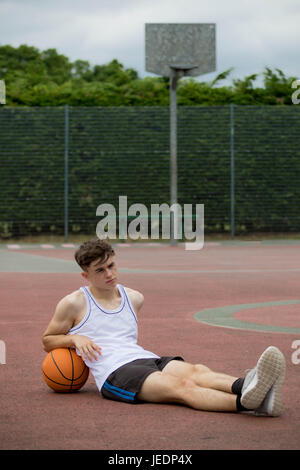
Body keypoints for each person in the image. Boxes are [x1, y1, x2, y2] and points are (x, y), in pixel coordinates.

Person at [42, 238, 286, 416]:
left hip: (145, 357)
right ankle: (248, 404)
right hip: (115, 373)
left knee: (197, 371)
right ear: (86, 276)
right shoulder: (74, 302)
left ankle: (248, 385)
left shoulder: (134, 297)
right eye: (100, 270)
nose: (109, 273)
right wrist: (75, 339)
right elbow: (48, 340)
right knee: (182, 388)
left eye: (112, 265)